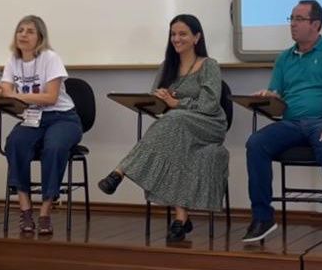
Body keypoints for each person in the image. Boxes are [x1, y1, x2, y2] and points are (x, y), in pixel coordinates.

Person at [98, 14, 228, 241]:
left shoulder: (209, 65)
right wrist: (160, 99)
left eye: (183, 34)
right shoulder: (166, 67)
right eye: (173, 34)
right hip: (178, 127)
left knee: (174, 119)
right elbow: (158, 103)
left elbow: (210, 103)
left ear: (197, 37)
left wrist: (177, 103)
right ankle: (181, 218)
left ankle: (121, 171)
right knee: (175, 134)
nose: (177, 39)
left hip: (209, 123)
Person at [243, 0, 322, 251]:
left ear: (316, 24)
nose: (292, 24)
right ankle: (262, 218)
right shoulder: (284, 58)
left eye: (299, 19)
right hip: (291, 123)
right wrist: (269, 97)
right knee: (256, 143)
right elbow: (277, 95)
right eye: (291, 18)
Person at [0, 15, 83, 235]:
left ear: (40, 37)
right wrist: (1, 94)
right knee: (15, 143)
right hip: (33, 117)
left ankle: (45, 212)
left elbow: (51, 97)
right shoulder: (12, 61)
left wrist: (14, 95)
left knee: (54, 148)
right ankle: (25, 211)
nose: (23, 34)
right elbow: (7, 92)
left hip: (63, 117)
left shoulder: (50, 58)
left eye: (30, 31)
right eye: (20, 30)